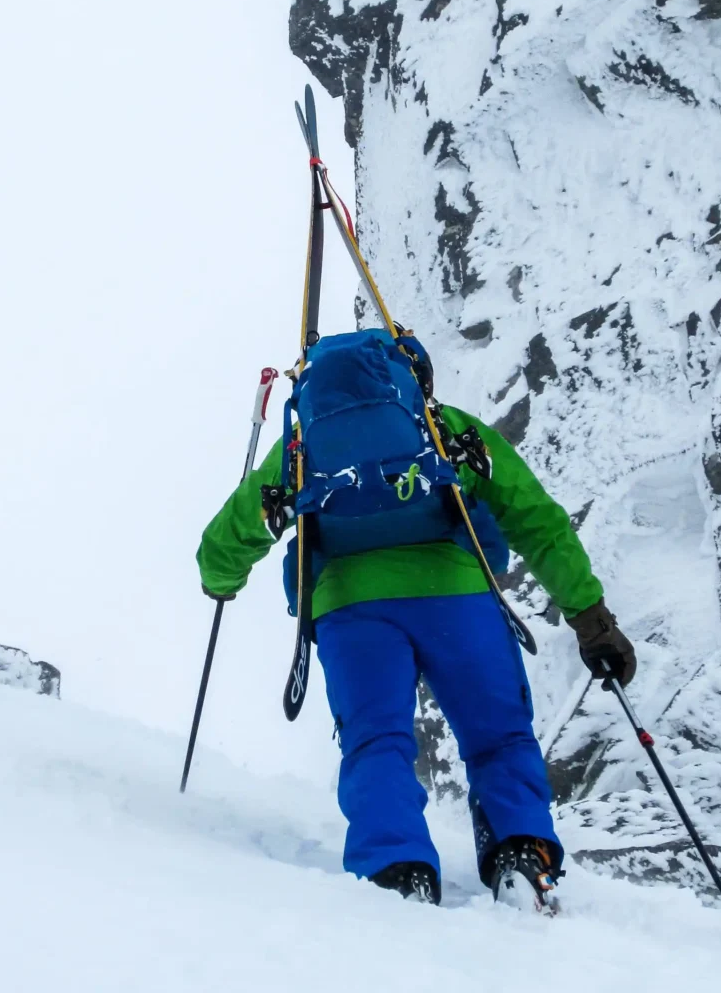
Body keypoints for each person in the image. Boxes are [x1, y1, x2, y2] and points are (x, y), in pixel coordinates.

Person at [197, 328, 635, 909]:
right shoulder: (445, 429)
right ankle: (521, 856)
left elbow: (224, 541)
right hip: (456, 595)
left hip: (350, 607)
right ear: (413, 378)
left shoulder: (303, 447)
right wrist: (591, 620)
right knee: (497, 735)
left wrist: (219, 580)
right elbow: (537, 520)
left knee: (376, 740)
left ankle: (396, 871)